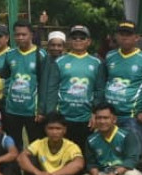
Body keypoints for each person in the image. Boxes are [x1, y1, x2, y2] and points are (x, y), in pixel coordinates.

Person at [43, 24, 104, 152]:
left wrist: (95, 113)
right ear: (69, 41)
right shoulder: (60, 61)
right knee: (63, 152)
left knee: (85, 152)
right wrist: (51, 114)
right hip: (64, 116)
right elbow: (52, 89)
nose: (78, 40)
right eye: (74, 37)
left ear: (89, 41)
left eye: (82, 38)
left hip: (86, 118)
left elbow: (99, 90)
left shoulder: (96, 63)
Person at [102, 21, 142, 148]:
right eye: (121, 34)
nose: (124, 37)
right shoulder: (110, 56)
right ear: (116, 36)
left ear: (136, 37)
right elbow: (101, 83)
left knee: (134, 155)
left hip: (132, 117)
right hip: (109, 117)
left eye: (128, 34)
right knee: (109, 154)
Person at [18, 113, 85, 175]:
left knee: (71, 171)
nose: (54, 132)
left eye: (58, 129)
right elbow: (21, 158)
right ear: (45, 129)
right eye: (51, 128)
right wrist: (37, 173)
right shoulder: (39, 143)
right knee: (29, 159)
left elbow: (79, 164)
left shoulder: (71, 146)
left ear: (64, 130)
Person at [3, 21, 44, 150]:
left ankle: (32, 170)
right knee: (14, 145)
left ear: (31, 35)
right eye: (17, 35)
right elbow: (6, 77)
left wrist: (41, 109)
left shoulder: (41, 55)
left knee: (35, 145)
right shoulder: (9, 54)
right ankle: (14, 170)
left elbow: (44, 83)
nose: (20, 38)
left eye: (23, 34)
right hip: (12, 109)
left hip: (33, 111)